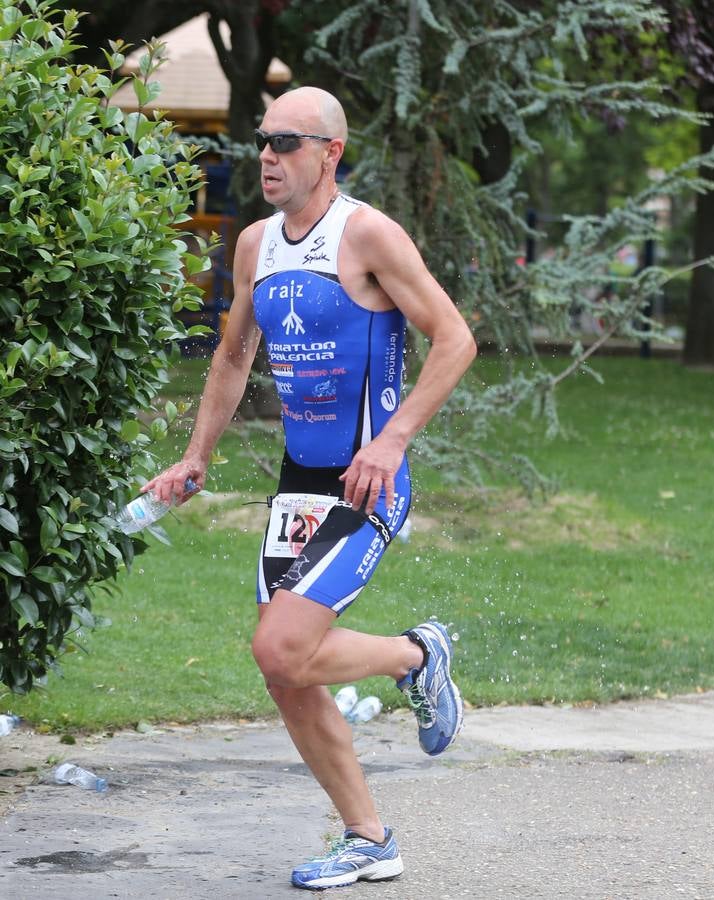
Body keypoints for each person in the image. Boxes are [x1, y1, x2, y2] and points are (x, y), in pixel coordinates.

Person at [144, 86, 477, 891]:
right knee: (284, 672)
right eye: (263, 139)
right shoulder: (255, 243)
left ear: (330, 153)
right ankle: (369, 839)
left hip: (366, 482)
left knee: (279, 646)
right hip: (299, 487)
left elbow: (455, 338)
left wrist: (393, 441)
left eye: (287, 141)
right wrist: (195, 455)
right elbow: (230, 358)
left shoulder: (366, 234)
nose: (267, 153)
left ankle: (416, 654)